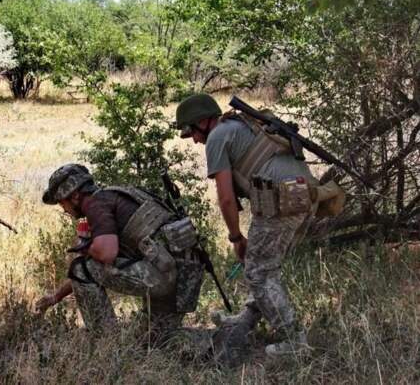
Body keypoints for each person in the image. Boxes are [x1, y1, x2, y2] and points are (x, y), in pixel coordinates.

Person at [175, 93, 317, 357]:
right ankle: (247, 321)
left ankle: (295, 341)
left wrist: (235, 237)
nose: (194, 139)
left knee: (259, 272)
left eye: (192, 131)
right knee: (262, 264)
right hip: (305, 194)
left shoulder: (217, 136)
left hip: (280, 201)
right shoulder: (242, 124)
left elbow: (226, 198)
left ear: (204, 121)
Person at [35, 163, 205, 344]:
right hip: (183, 279)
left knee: (81, 268)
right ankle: (219, 340)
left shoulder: (95, 204)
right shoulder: (116, 196)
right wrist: (56, 297)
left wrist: (85, 247)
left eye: (63, 202)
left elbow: (104, 256)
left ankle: (106, 343)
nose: (64, 209)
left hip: (164, 276)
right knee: (157, 342)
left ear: (75, 195)